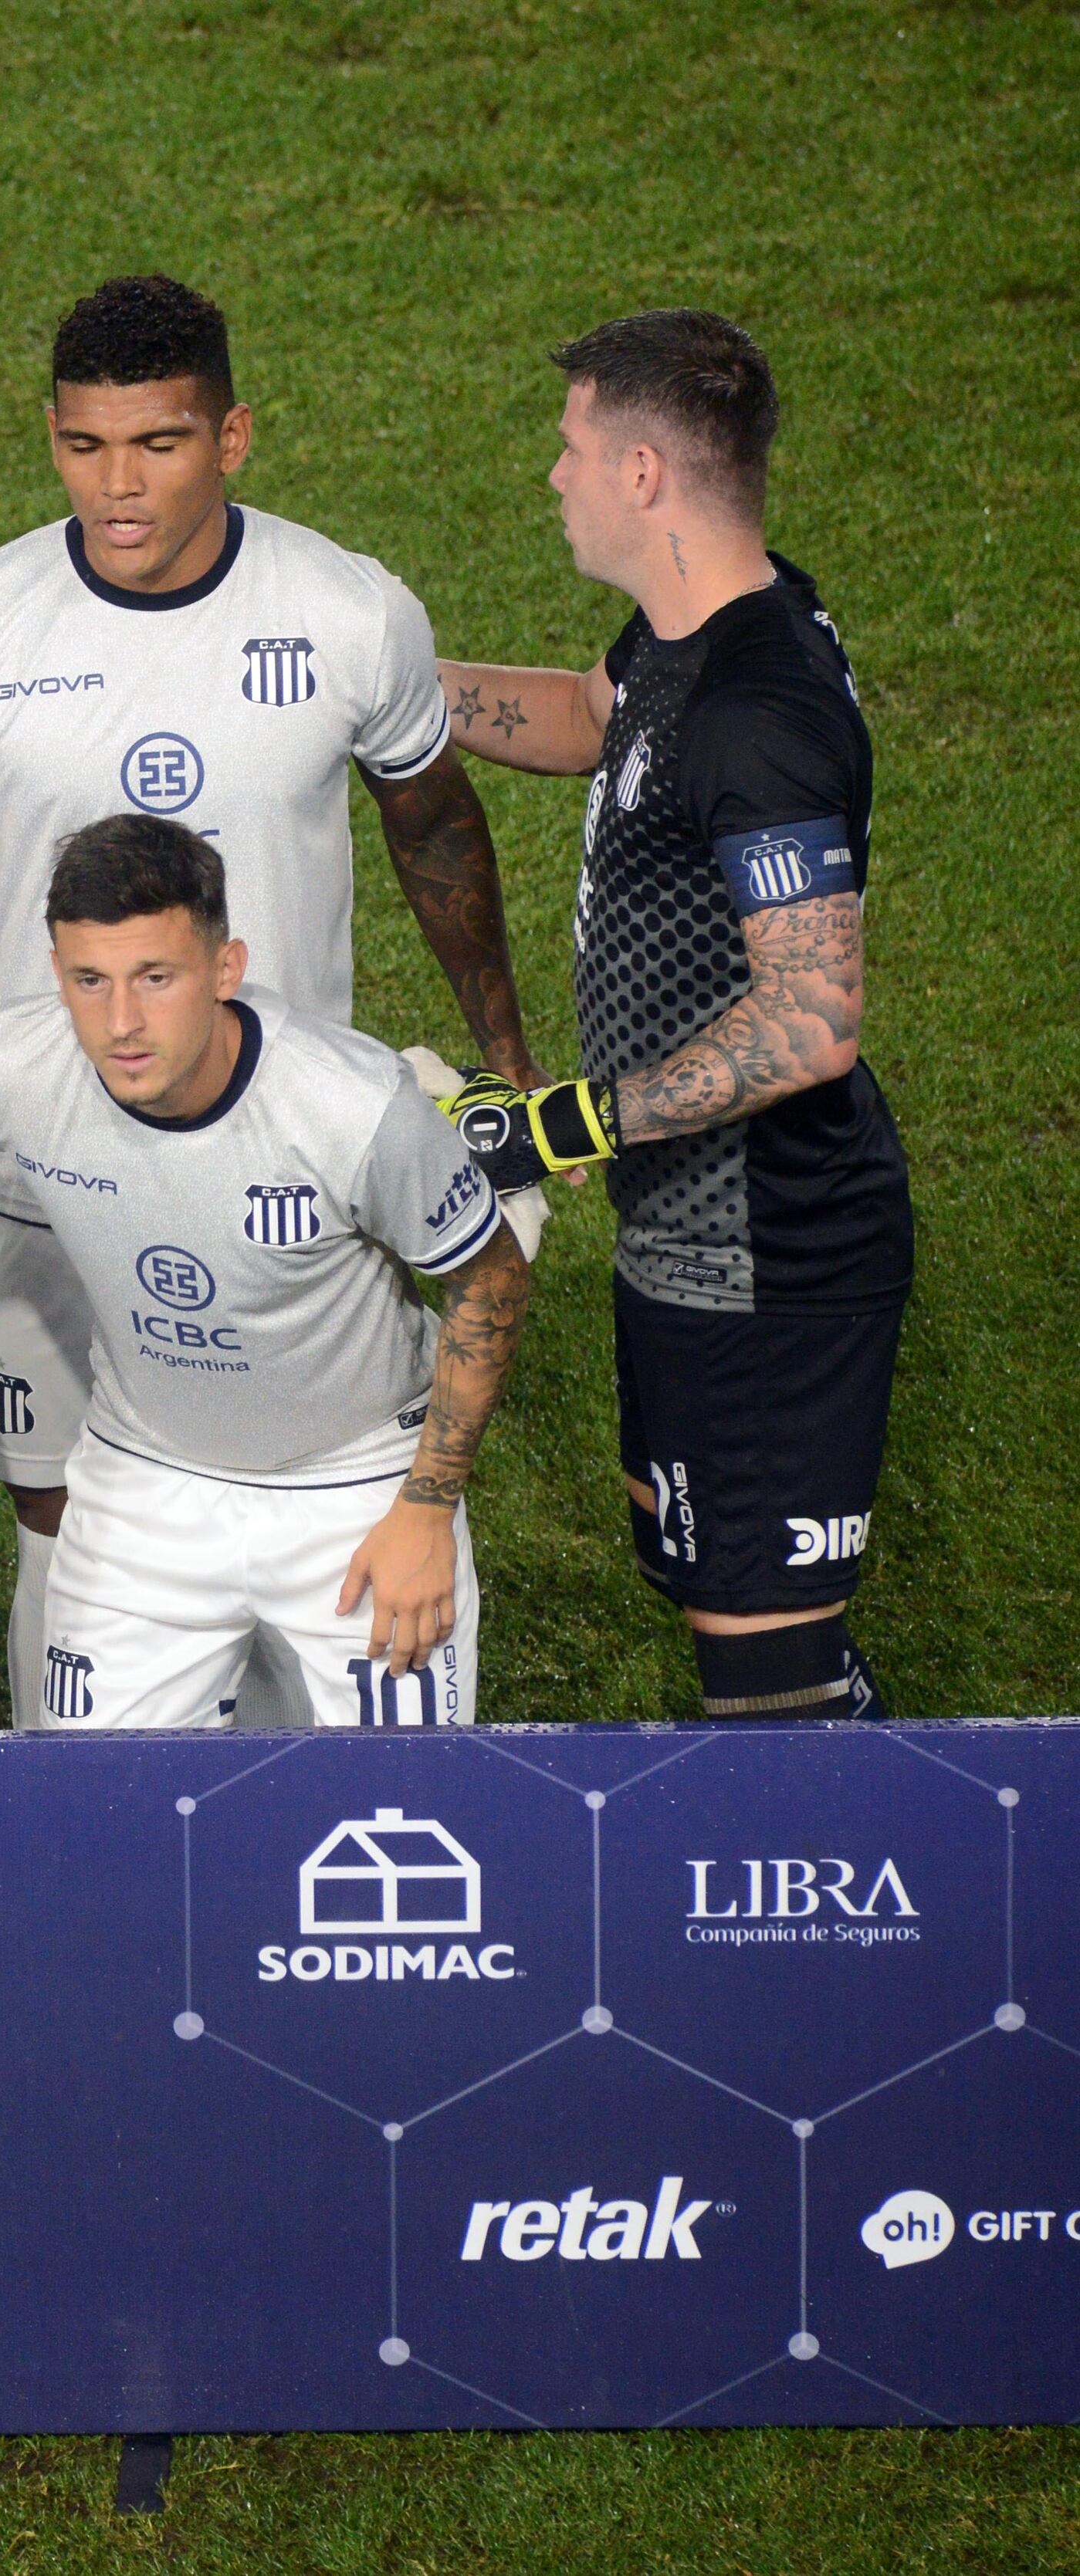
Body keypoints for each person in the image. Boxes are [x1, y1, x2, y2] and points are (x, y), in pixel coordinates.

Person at [0, 276, 541, 1726]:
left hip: (303, 1170)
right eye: (84, 447)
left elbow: (437, 833)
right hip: (51, 1167)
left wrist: (500, 1063)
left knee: (309, 1477)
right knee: (71, 1511)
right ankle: (102, 1794)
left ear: (233, 436)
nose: (118, 487)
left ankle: (275, 1792)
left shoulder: (344, 611)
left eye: (160, 444)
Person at [432, 309, 908, 1721]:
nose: (554, 475)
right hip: (686, 1236)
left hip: (776, 1255)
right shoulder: (686, 641)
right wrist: (387, 687)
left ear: (644, 472)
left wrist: (561, 1121)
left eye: (573, 447)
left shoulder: (762, 708)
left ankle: (863, 1928)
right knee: (739, 1617)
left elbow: (812, 1018)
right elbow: (597, 717)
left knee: (768, 1670)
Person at [0, 815, 533, 1729]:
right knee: (98, 1813)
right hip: (144, 1483)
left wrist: (426, 1506)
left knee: (392, 1809)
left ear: (225, 968)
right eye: (89, 981)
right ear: (57, 976)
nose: (120, 1022)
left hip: (357, 1491)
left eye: (154, 978)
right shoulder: (13, 1064)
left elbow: (491, 1280)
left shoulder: (348, 1106)